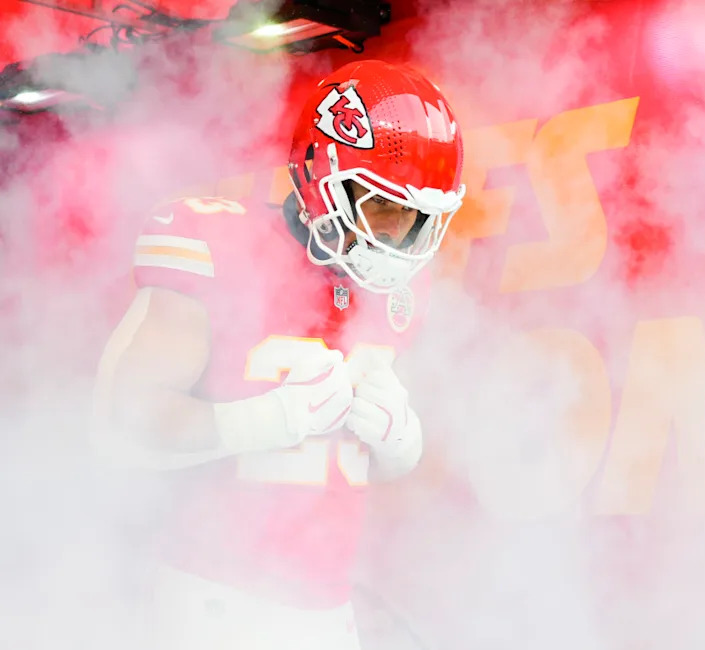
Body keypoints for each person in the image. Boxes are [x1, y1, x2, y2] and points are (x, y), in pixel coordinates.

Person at [92, 59, 465, 649]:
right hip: (211, 603)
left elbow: (368, 470)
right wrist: (270, 418)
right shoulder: (214, 243)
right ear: (322, 175)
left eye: (418, 217)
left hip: (327, 610)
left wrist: (403, 442)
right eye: (382, 207)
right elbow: (122, 426)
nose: (398, 236)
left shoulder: (400, 292)